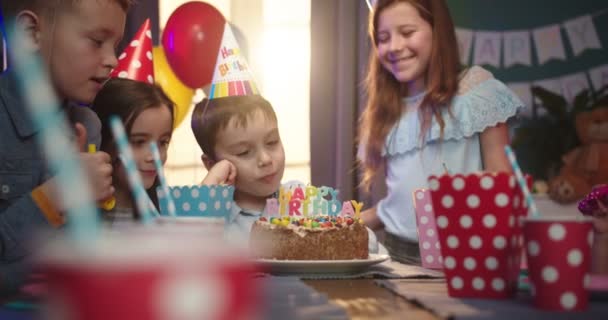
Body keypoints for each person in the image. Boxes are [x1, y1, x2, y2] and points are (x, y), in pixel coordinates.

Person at [358, 0, 523, 264]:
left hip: (466, 253)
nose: (395, 47)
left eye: (408, 32)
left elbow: (501, 184)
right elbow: (397, 203)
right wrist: (342, 223)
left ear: (437, 30)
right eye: (383, 38)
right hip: (396, 255)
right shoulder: (386, 111)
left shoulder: (475, 90)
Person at [0, 0, 131, 293]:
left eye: (115, 44)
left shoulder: (88, 126)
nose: (113, 59)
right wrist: (55, 196)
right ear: (30, 33)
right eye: (97, 41)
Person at [91, 78, 236, 224]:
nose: (155, 156)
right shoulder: (75, 215)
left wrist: (216, 176)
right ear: (104, 138)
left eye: (163, 142)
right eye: (138, 142)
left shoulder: (164, 212)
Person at [191, 95, 285, 244]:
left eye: (272, 142)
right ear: (211, 164)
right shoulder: (214, 219)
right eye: (244, 152)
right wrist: (213, 179)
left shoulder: (303, 200)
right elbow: (186, 249)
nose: (266, 159)